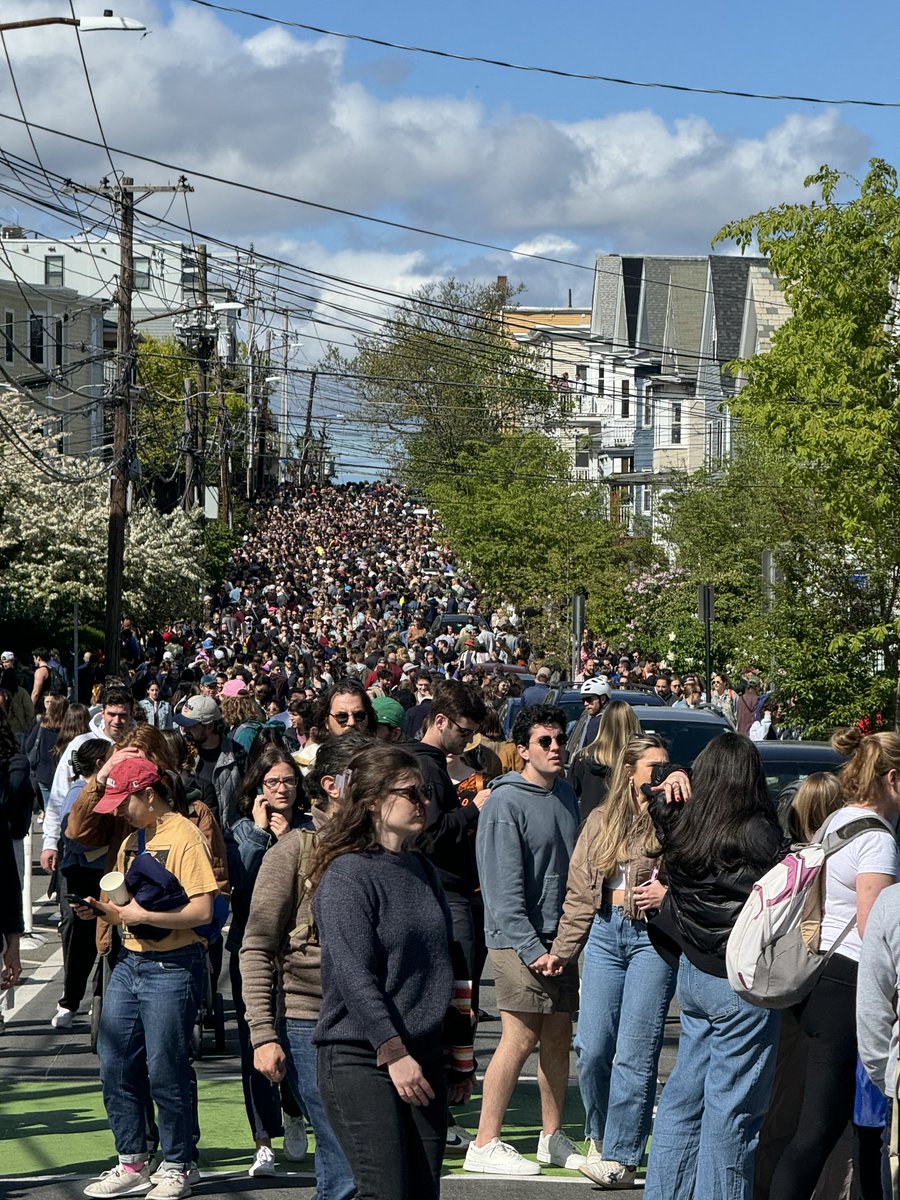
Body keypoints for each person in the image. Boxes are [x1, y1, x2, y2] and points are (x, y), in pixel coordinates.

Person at [309, 742, 474, 1199]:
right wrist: (392, 1052)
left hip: (422, 1053)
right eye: (411, 793)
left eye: (424, 791)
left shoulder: (420, 866)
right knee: (385, 1191)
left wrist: (459, 1055)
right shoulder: (347, 876)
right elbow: (353, 976)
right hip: (362, 1054)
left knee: (422, 1191)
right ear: (373, 802)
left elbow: (450, 962)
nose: (425, 802)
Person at [643, 734, 789, 1200]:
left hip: (695, 970)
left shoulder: (679, 821)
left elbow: (653, 789)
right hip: (742, 981)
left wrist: (673, 777)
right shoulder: (758, 833)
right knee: (733, 1116)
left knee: (684, 1103)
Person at [77, 749, 219, 1200]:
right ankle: (133, 1159)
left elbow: (202, 911)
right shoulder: (132, 840)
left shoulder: (186, 836)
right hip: (132, 962)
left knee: (166, 1068)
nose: (118, 810)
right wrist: (102, 912)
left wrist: (139, 915)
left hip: (174, 966)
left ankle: (178, 1162)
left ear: (148, 794)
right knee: (115, 1062)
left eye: (122, 801)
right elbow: (127, 908)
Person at [768, 728, 900, 1200]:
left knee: (845, 1129)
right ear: (893, 778)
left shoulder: (839, 821)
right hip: (850, 985)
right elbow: (877, 929)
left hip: (819, 977)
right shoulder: (878, 841)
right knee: (823, 1131)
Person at [242, 734, 369, 1200]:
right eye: (369, 776)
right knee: (344, 1165)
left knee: (370, 1160)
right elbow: (256, 946)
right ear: (333, 785)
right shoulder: (293, 850)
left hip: (378, 1025)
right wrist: (263, 1034)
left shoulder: (387, 847)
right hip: (310, 1021)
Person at [546, 735, 676, 1188]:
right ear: (629, 771)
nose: (660, 773)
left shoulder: (675, 817)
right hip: (604, 932)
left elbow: (697, 871)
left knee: (635, 1053)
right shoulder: (601, 819)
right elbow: (580, 891)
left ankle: (622, 1156)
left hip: (651, 937)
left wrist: (669, 893)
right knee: (594, 1047)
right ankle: (600, 1138)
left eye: (666, 765)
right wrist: (563, 950)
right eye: (653, 767)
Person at [465, 705, 584, 1177]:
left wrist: (565, 944)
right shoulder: (503, 803)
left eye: (560, 740)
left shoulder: (567, 795)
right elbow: (501, 892)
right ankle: (484, 1141)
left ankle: (552, 1136)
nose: (556, 748)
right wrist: (535, 950)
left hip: (562, 939)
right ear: (522, 750)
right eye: (545, 741)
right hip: (517, 941)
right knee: (520, 1035)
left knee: (558, 1034)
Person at [225, 744, 311, 1177]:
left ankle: (295, 1111)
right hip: (252, 948)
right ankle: (262, 1139)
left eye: (288, 781)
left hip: (299, 952)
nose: (281, 789)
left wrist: (286, 841)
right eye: (273, 782)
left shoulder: (310, 830)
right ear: (257, 788)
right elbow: (239, 887)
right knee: (254, 1044)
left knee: (295, 1041)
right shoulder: (240, 830)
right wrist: (261, 836)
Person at [50, 737, 111, 1030]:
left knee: (104, 940)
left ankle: (101, 995)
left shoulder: (108, 792)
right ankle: (70, 1002)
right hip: (83, 876)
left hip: (104, 876)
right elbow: (73, 837)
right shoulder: (79, 793)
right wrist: (113, 846)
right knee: (82, 941)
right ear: (100, 765)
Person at [173, 694, 247, 828]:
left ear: (209, 726)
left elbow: (247, 797)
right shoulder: (182, 752)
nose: (185, 730)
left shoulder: (237, 754)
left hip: (228, 836)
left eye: (192, 726)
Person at [568, 701, 640, 820]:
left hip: (590, 830)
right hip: (626, 829)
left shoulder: (583, 756)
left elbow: (569, 796)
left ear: (604, 724)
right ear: (632, 723)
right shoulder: (639, 760)